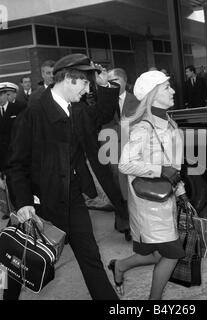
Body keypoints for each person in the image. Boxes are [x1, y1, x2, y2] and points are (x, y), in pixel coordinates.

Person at [3, 53, 128, 300]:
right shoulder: (34, 112)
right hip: (39, 201)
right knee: (19, 262)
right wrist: (25, 202)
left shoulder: (78, 109)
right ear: (69, 79)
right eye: (84, 84)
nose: (86, 90)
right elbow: (16, 165)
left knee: (90, 257)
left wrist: (104, 85)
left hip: (72, 198)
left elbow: (102, 115)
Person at [108, 70, 189, 300]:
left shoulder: (170, 124)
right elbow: (125, 164)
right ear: (153, 95)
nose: (172, 90)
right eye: (166, 87)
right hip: (149, 204)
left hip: (167, 199)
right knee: (172, 253)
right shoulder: (143, 128)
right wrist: (159, 169)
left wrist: (181, 193)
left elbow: (175, 168)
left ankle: (120, 266)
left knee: (156, 254)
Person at [106, 68, 139, 241]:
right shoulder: (105, 101)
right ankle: (124, 224)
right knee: (117, 188)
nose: (112, 85)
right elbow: (103, 125)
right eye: (109, 82)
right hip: (112, 149)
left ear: (125, 82)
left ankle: (132, 224)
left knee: (131, 187)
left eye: (115, 82)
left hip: (133, 149)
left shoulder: (137, 101)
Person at [0, 82, 26, 220]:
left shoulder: (19, 108)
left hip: (20, 156)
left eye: (1, 94)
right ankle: (16, 214)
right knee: (11, 187)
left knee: (23, 186)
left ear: (6, 95)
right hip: (5, 160)